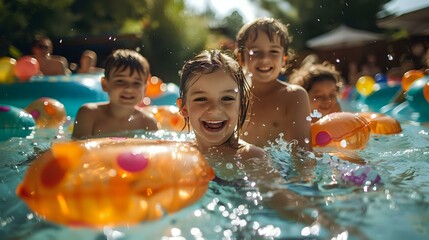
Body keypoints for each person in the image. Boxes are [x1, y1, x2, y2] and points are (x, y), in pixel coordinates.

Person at [177, 49, 364, 239]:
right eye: (201, 99)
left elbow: (285, 201)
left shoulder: (249, 157)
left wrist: (335, 229)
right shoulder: (179, 153)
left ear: (242, 106)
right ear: (184, 109)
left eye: (227, 98)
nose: (215, 109)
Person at [235, 17, 312, 152]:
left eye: (274, 51)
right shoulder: (235, 99)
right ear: (241, 58)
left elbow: (302, 155)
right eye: (255, 52)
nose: (265, 58)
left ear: (284, 59)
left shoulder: (294, 96)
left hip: (282, 172)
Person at [72, 49, 158, 139]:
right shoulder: (88, 114)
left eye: (136, 83)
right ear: (105, 84)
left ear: (145, 89)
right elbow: (77, 150)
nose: (128, 88)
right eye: (120, 81)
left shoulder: (148, 123)